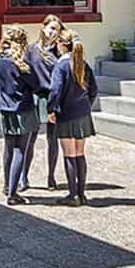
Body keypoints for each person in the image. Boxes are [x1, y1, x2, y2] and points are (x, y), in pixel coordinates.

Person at [48, 29, 98, 207]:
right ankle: (82, 194)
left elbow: (55, 91)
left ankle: (73, 194)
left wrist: (51, 109)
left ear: (62, 45)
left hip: (67, 114)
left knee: (69, 154)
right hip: (83, 114)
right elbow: (94, 90)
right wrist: (86, 105)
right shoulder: (83, 64)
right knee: (80, 153)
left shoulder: (61, 66)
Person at [0, 27, 43, 205]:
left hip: (5, 108)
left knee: (8, 148)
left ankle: (7, 185)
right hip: (23, 109)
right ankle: (13, 194)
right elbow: (36, 85)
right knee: (20, 149)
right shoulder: (22, 63)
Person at [23, 15, 64, 191]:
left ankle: (51, 177)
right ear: (44, 27)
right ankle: (23, 177)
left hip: (53, 98)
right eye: (51, 28)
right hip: (35, 97)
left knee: (52, 140)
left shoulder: (59, 52)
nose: (53, 33)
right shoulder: (31, 50)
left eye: (57, 30)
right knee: (29, 139)